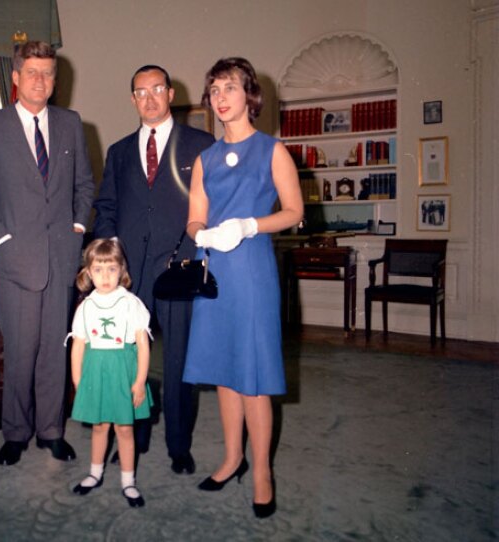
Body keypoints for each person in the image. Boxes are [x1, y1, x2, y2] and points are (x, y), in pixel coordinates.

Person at [0, 40, 95, 466]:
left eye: (48, 74)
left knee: (55, 348)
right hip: (15, 258)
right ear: (16, 78)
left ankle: (51, 430)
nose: (41, 81)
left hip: (61, 257)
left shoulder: (72, 123)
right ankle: (16, 432)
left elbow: (85, 185)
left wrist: (76, 228)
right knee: (19, 351)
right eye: (32, 73)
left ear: (56, 81)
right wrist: (0, 237)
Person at [183, 57, 304, 519]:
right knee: (223, 370)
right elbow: (195, 215)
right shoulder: (205, 158)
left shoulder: (273, 150)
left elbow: (293, 211)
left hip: (251, 270)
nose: (220, 97)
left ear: (249, 95)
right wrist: (203, 234)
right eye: (213, 90)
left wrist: (250, 225)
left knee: (252, 375)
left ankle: (261, 473)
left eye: (229, 88)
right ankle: (232, 458)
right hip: (214, 269)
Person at [93, 65, 215, 475]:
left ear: (170, 92)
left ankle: (179, 447)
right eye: (140, 92)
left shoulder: (200, 144)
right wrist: (110, 258)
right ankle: (133, 436)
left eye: (156, 89)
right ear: (132, 99)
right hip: (129, 273)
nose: (149, 98)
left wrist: (186, 250)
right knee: (128, 359)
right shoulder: (120, 151)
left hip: (179, 267)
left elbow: (209, 206)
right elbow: (106, 208)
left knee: (179, 359)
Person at [67, 239, 153, 508]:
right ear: (88, 273)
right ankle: (95, 473)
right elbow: (78, 346)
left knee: (125, 428)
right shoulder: (86, 307)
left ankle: (128, 481)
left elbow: (142, 345)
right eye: (99, 270)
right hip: (96, 372)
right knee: (99, 426)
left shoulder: (131, 304)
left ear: (121, 270)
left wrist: (139, 381)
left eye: (112, 269)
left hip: (123, 371)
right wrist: (79, 382)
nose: (105, 277)